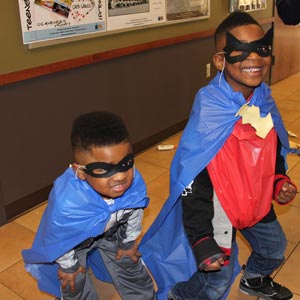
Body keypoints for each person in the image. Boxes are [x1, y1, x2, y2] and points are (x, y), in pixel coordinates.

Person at [139, 11, 298, 300]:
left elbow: (271, 151)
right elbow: (193, 175)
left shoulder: (263, 97)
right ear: (220, 61)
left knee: (274, 249)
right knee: (216, 281)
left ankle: (253, 280)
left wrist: (278, 180)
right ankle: (182, 295)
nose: (255, 58)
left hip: (256, 197)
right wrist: (201, 237)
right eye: (241, 51)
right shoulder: (211, 108)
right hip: (218, 207)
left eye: (262, 49)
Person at [22, 111, 156, 300]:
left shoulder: (133, 181)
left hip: (113, 233)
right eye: (103, 169)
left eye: (126, 163)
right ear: (81, 172)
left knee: (129, 260)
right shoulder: (67, 203)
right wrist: (69, 266)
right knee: (73, 281)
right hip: (75, 245)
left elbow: (135, 211)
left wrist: (127, 242)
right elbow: (59, 239)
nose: (120, 176)